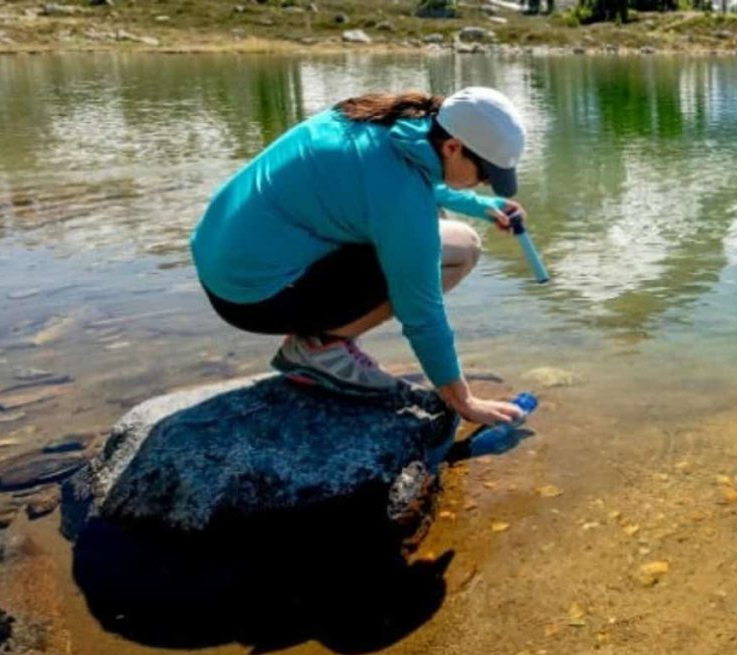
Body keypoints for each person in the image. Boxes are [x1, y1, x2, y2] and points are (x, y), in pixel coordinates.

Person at [190, 86, 528, 427]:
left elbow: (400, 180)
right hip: (252, 298)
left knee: (428, 225)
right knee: (461, 248)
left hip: (222, 262)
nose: (485, 183)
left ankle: (319, 338)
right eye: (485, 174)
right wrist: (462, 399)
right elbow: (422, 313)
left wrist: (482, 207)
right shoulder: (400, 195)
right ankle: (319, 350)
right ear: (453, 147)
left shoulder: (383, 119)